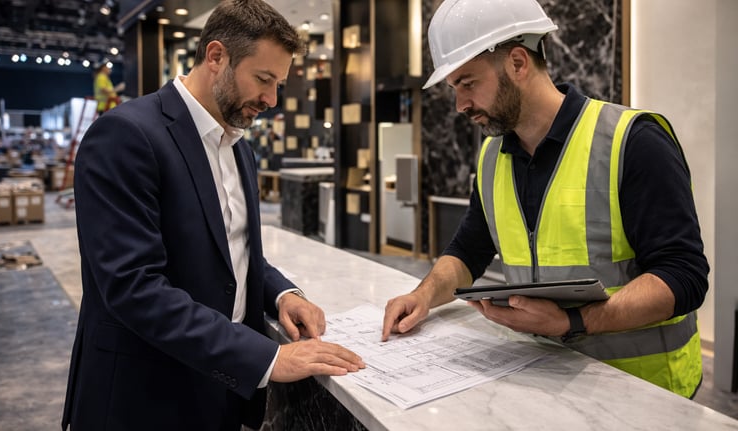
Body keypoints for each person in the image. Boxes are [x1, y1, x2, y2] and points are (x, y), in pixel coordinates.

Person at [381, 0, 708, 399]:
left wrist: (573, 320)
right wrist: (423, 295)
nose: (460, 105)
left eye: (467, 83)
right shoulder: (492, 158)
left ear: (518, 63)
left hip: (647, 395)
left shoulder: (633, 142)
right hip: (546, 384)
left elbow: (684, 277)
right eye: (454, 89)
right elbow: (468, 250)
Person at [61, 1, 365, 430]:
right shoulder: (126, 135)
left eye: (278, 83)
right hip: (143, 398)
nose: (271, 100)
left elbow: (233, 251)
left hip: (218, 393)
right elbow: (134, 287)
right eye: (263, 79)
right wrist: (267, 356)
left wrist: (282, 295)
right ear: (216, 56)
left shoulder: (239, 146)